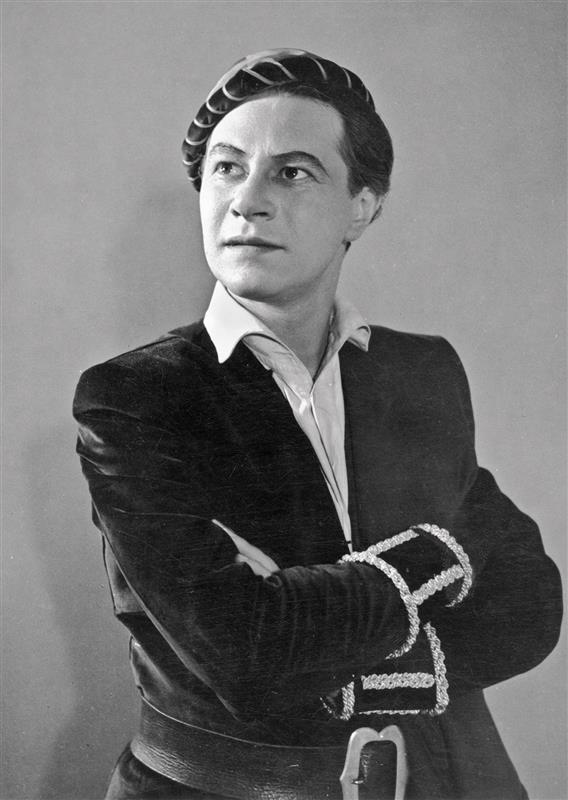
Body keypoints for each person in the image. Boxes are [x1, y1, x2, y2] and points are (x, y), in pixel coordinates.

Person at [73, 49, 562, 800]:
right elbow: (248, 656)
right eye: (227, 169)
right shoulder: (137, 396)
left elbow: (529, 604)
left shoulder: (421, 371)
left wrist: (319, 632)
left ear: (361, 206)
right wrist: (437, 555)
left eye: (293, 172)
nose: (248, 202)